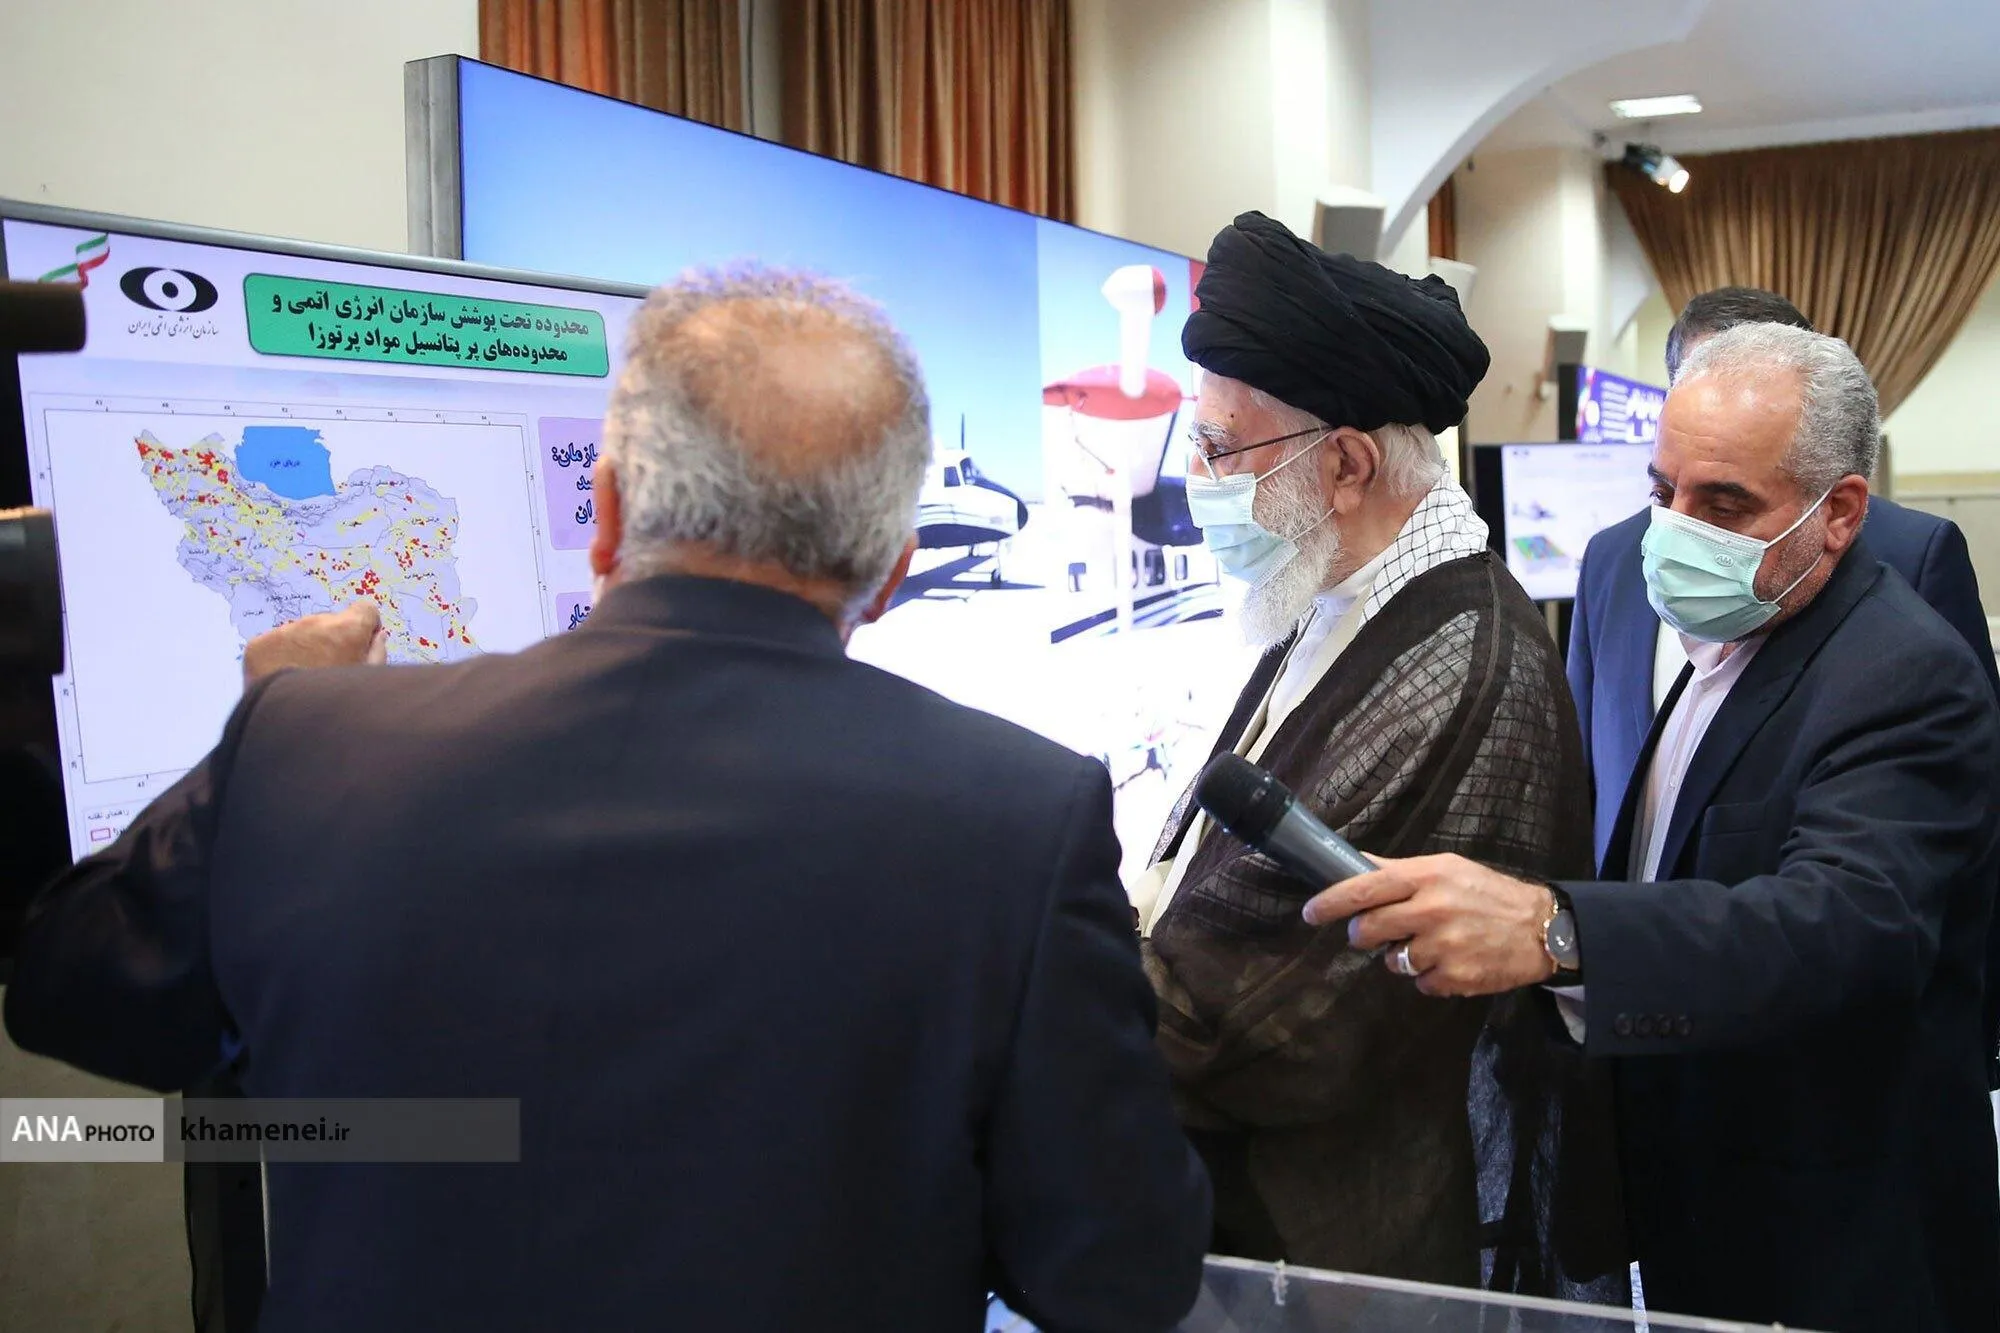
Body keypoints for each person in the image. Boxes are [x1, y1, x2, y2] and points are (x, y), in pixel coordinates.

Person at [5, 266, 1212, 1333]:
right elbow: (1119, 1274)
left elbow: (74, 998)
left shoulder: (310, 739)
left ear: (612, 512)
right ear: (893, 570)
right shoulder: (1020, 818)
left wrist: (263, 718)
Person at [1311, 324, 2000, 1332]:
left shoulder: (1904, 673)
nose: (1672, 530)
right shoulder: (1720, 635)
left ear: (1840, 512)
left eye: (1723, 504)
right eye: (1660, 489)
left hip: (1835, 1230)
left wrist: (1554, 931)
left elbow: (1838, 925)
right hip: (1699, 1201)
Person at [1130, 212, 1623, 1297]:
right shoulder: (1335, 592)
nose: (1198, 476)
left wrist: (1044, 960)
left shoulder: (1460, 662)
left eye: (1219, 447)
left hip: (1329, 1260)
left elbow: (1281, 1019)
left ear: (1346, 463)